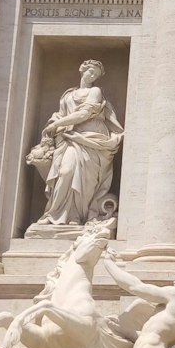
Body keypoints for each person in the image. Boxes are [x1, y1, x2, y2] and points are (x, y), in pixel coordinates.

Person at [27, 61, 124, 227]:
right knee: (66, 171)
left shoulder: (95, 91)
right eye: (91, 72)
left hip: (93, 140)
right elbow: (61, 114)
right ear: (82, 70)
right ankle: (55, 214)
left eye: (96, 75)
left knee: (87, 180)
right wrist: (55, 122)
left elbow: (84, 113)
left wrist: (56, 125)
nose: (92, 76)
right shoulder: (68, 95)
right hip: (69, 138)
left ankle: (77, 217)